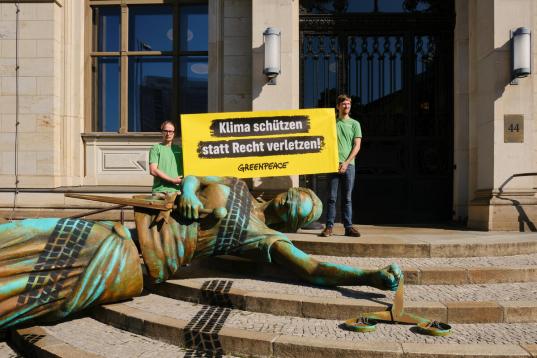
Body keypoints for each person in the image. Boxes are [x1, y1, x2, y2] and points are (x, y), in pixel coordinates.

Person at [136, 176, 401, 290]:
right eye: (294, 197)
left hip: (151, 254)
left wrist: (368, 276)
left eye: (296, 209)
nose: (289, 203)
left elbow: (313, 269)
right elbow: (196, 177)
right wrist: (189, 193)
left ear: (293, 223)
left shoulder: (267, 239)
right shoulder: (239, 186)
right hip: (145, 217)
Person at [321, 94, 362, 237]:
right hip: (332, 164)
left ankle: (348, 227)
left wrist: (346, 162)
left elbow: (357, 146)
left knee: (347, 198)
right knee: (331, 198)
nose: (347, 106)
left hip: (349, 165)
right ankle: (329, 227)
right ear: (338, 106)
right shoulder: (331, 123)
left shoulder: (355, 124)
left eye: (348, 104)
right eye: (344, 104)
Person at [149, 120, 184, 195]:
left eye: (171, 131)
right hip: (160, 191)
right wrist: (172, 180)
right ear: (162, 132)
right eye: (166, 131)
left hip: (177, 191)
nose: (168, 134)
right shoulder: (156, 148)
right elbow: (153, 170)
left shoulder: (180, 150)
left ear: (174, 133)